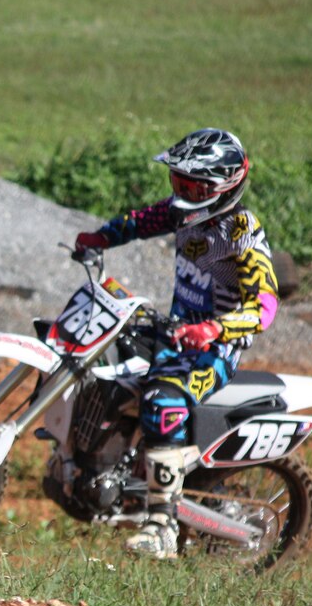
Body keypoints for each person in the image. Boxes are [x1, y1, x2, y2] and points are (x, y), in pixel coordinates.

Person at [73, 128, 279, 559]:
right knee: (103, 365)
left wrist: (214, 329)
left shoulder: (241, 233)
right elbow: (139, 221)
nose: (180, 193)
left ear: (222, 188)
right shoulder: (186, 214)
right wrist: (101, 238)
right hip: (174, 331)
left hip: (212, 349)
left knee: (161, 399)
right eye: (177, 182)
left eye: (191, 186)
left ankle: (162, 525)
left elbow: (265, 308)